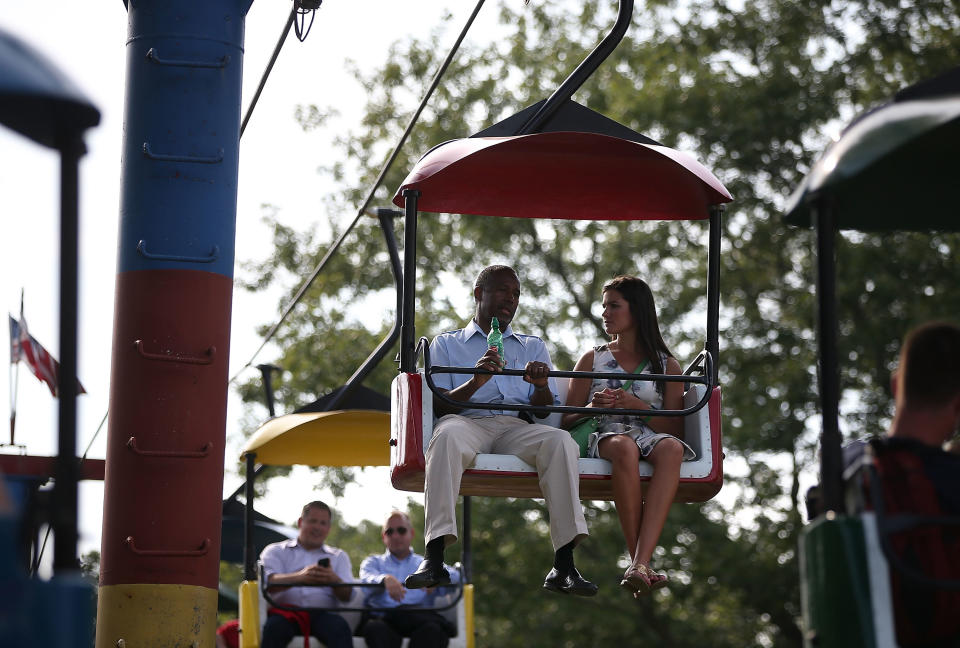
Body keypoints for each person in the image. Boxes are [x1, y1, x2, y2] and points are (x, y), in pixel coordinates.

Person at [405, 265, 595, 596]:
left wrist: (539, 385)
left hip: (514, 426)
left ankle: (564, 564)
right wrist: (476, 381)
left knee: (561, 441)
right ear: (479, 294)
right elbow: (442, 406)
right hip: (467, 421)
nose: (510, 299)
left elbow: (541, 410)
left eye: (516, 294)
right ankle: (434, 556)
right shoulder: (447, 344)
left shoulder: (531, 346)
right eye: (503, 291)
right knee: (446, 436)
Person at [562, 276, 694, 598]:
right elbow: (566, 420)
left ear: (637, 311)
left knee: (672, 451)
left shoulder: (667, 365)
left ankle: (639, 563)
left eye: (613, 306)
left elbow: (675, 430)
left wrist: (640, 407)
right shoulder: (592, 359)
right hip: (606, 433)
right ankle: (642, 563)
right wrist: (593, 407)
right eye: (604, 306)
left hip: (649, 435)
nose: (605, 313)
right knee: (624, 448)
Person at [259, 501, 354, 648]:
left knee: (340, 628)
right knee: (274, 628)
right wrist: (300, 578)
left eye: (323, 523)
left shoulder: (339, 556)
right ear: (300, 522)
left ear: (328, 528)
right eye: (313, 521)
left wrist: (333, 580)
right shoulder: (275, 551)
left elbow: (348, 596)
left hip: (323, 616)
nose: (317, 527)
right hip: (286, 613)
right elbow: (268, 583)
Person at [359, 511, 460, 648]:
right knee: (375, 628)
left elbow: (456, 576)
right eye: (390, 532)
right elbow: (365, 579)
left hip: (419, 622)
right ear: (384, 536)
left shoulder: (426, 564)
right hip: (384, 620)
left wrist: (436, 577)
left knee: (433, 632)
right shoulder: (373, 562)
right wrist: (384, 579)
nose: (395, 536)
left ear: (411, 533)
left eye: (401, 530)